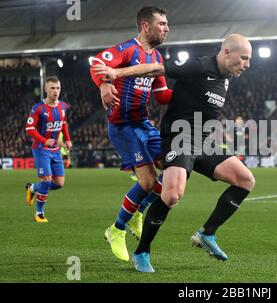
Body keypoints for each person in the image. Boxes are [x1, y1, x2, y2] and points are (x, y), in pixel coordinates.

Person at [94, 34, 256, 273]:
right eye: (244, 58)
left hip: (202, 142)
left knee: (245, 180)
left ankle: (206, 234)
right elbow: (155, 69)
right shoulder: (199, 66)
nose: (247, 64)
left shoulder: (226, 77)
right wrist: (116, 74)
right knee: (171, 196)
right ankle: (142, 252)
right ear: (227, 53)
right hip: (179, 139)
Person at [89, 6, 172, 262]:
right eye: (162, 24)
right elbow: (96, 63)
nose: (167, 28)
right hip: (123, 126)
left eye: (167, 24)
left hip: (144, 124)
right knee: (147, 183)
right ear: (146, 26)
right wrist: (104, 84)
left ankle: (138, 211)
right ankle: (116, 229)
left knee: (174, 169)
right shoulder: (127, 49)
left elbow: (163, 95)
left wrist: (194, 92)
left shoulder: (157, 58)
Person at [25, 76, 72, 223]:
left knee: (59, 184)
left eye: (58, 88)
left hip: (56, 150)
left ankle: (33, 188)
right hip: (41, 149)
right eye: (52, 88)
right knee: (46, 180)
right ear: (46, 89)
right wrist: (45, 140)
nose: (55, 91)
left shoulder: (63, 106)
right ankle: (39, 213)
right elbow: (29, 128)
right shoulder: (38, 108)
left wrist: (68, 139)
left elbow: (63, 122)